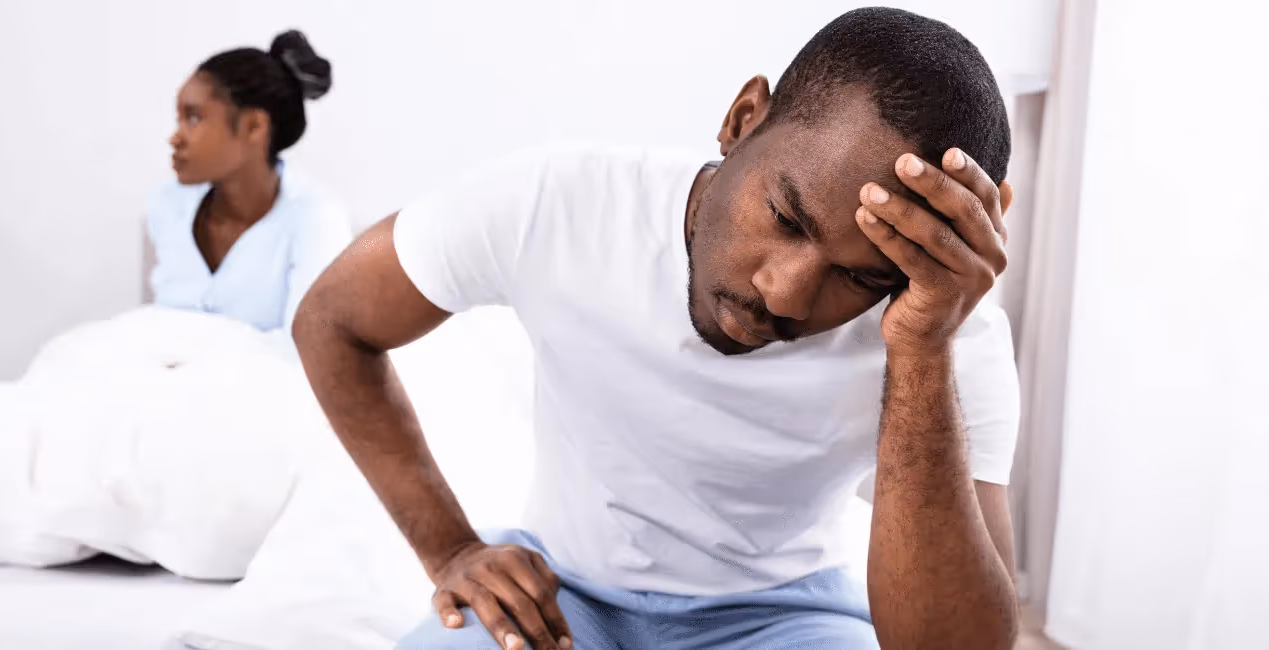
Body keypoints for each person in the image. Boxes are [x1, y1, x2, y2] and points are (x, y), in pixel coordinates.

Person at [297, 7, 1020, 650]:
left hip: (788, 621)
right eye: (785, 218)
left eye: (860, 278)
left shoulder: (951, 334)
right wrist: (450, 548)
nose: (787, 294)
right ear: (743, 119)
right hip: (560, 597)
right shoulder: (561, 202)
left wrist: (923, 347)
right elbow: (332, 320)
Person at [148, 30, 352, 343]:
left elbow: (311, 350)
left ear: (254, 126)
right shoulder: (167, 205)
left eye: (193, 118)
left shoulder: (316, 220)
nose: (175, 138)